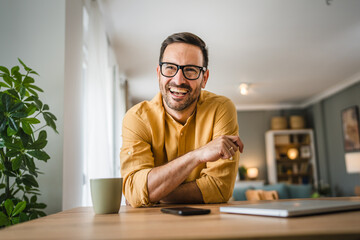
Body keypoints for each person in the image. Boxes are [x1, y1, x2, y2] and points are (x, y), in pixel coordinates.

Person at [120, 32, 243, 207]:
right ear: (158, 73)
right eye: (170, 67)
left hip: (209, 225)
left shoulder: (221, 109)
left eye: (190, 70)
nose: (178, 80)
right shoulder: (136, 118)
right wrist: (197, 155)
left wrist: (151, 193)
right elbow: (134, 191)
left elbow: (219, 188)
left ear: (204, 78)